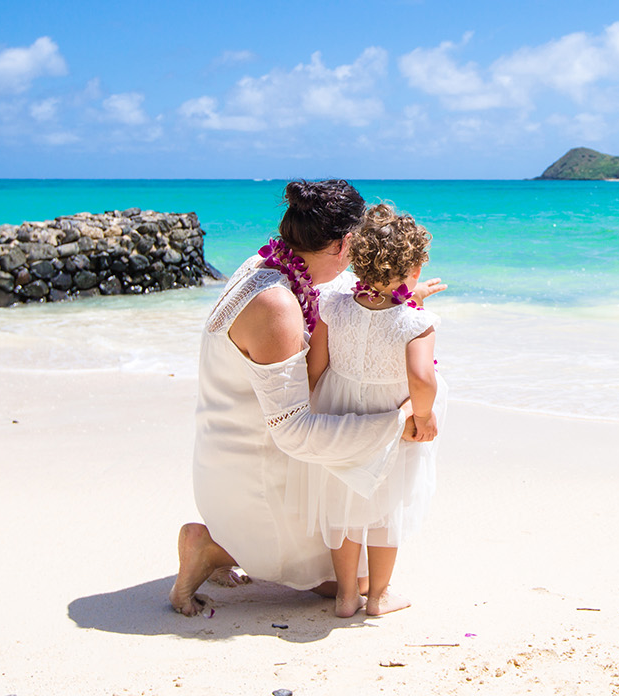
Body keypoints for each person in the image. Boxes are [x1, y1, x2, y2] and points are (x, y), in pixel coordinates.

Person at [169, 179, 443, 616]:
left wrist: (401, 299)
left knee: (356, 549)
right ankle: (218, 548)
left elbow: (344, 305)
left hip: (224, 462)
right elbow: (293, 434)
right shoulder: (276, 303)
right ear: (346, 243)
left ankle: (227, 542)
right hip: (254, 484)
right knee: (361, 576)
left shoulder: (268, 265)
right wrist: (397, 423)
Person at [289, 204, 449, 617]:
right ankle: (378, 595)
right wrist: (423, 415)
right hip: (388, 420)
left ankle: (345, 596)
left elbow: (316, 363)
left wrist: (309, 403)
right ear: (413, 269)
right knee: (385, 507)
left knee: (342, 504)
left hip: (339, 412)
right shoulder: (416, 323)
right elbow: (422, 379)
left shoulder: (334, 305)